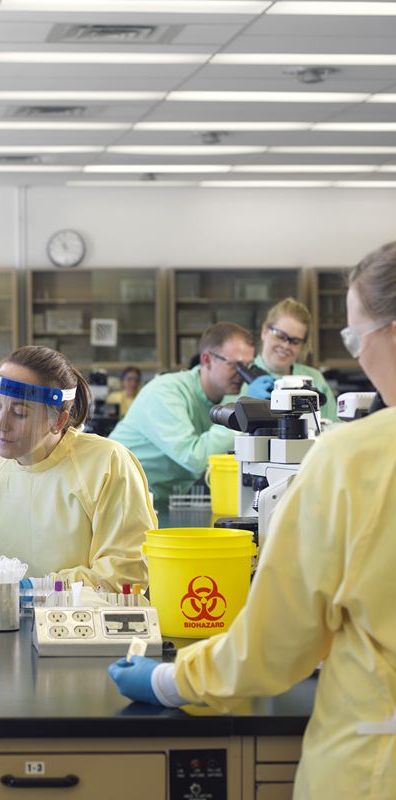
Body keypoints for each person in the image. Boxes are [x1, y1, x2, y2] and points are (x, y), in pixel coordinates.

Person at [108, 241, 396, 799]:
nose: (357, 356)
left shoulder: (359, 461)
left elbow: (273, 648)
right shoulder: (168, 393)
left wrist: (170, 680)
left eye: (356, 337)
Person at [0, 346, 157, 607]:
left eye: (19, 412)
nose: (1, 424)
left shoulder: (106, 465)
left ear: (59, 420)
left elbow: (125, 576)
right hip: (1, 632)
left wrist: (37, 590)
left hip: (85, 637)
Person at [109, 322, 270, 505]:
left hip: (160, 501)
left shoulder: (224, 397)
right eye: (235, 366)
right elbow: (195, 459)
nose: (242, 376)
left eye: (248, 366)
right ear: (207, 360)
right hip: (120, 499)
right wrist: (243, 416)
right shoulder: (165, 391)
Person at [236, 297, 338, 421]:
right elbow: (218, 436)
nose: (285, 346)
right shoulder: (238, 378)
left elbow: (334, 428)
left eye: (295, 341)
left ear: (303, 345)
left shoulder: (315, 379)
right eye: (280, 336)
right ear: (264, 331)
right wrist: (244, 409)